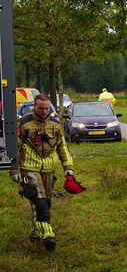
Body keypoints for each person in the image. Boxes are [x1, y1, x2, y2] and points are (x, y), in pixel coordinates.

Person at [9, 94, 79, 251]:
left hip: (49, 169)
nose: (44, 111)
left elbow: (62, 147)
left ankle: (36, 231)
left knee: (45, 201)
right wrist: (14, 171)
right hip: (29, 168)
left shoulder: (55, 123)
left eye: (47, 108)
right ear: (35, 106)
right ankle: (48, 235)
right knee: (38, 198)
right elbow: (15, 148)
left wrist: (68, 168)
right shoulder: (23, 123)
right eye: (41, 108)